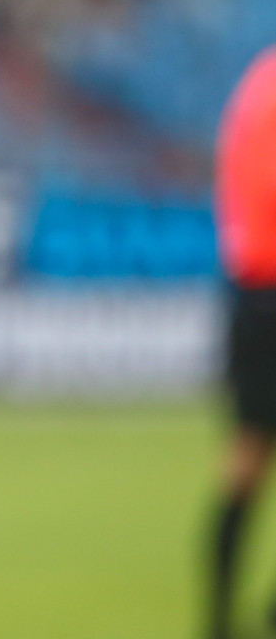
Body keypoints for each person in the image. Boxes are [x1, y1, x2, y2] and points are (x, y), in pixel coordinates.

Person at [209, 44, 276, 639]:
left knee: (246, 459)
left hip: (250, 291)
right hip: (270, 288)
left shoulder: (256, 81)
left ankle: (219, 618)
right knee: (247, 461)